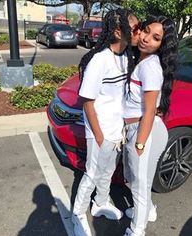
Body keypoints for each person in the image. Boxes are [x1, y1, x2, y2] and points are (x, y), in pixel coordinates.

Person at [71, 8, 140, 236]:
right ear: (119, 32)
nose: (139, 32)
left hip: (115, 131)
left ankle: (100, 202)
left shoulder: (126, 57)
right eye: (135, 28)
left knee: (108, 170)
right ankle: (77, 215)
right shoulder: (99, 60)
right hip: (99, 130)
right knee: (92, 173)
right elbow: (87, 102)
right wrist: (99, 136)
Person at [123, 15, 178, 236]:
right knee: (138, 180)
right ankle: (149, 210)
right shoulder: (142, 61)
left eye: (155, 38)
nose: (146, 39)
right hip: (139, 129)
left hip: (145, 132)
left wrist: (139, 144)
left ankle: (137, 230)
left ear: (161, 46)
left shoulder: (150, 67)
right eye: (145, 31)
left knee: (139, 184)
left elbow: (148, 111)